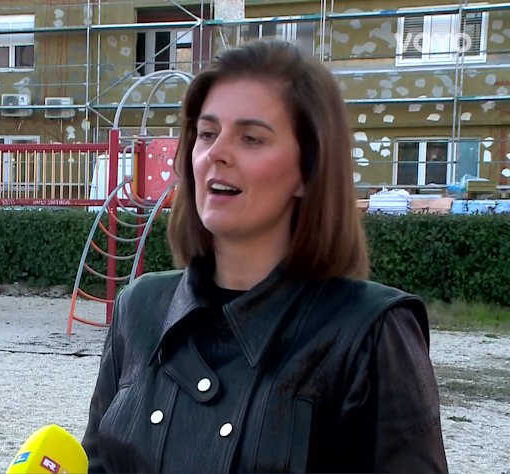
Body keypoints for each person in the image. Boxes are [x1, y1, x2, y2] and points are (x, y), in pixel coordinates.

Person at [81, 40, 448, 473]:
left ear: (308, 171)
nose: (216, 153)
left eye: (251, 138)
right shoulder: (139, 309)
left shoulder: (371, 334)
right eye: (207, 133)